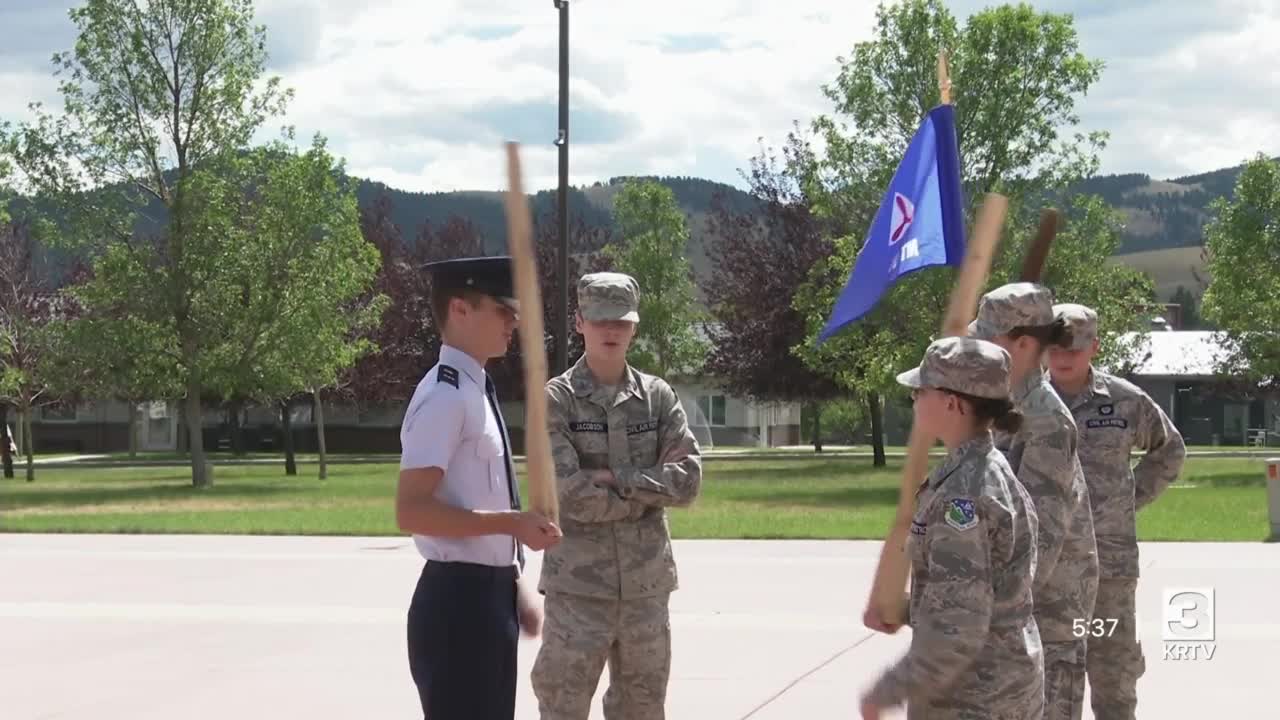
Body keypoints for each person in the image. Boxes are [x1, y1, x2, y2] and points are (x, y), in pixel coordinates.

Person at [395, 255, 563, 720]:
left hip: (486, 597)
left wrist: (511, 583)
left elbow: (476, 498)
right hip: (457, 605)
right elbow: (412, 510)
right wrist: (514, 523)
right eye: (502, 309)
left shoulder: (474, 389)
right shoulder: (445, 397)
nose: (513, 321)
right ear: (460, 310)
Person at [531, 271, 703, 720]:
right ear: (580, 322)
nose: (611, 330)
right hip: (578, 590)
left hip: (646, 589)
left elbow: (687, 482)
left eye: (622, 321)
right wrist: (647, 491)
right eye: (600, 319)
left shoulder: (658, 397)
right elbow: (570, 494)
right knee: (562, 707)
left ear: (635, 326)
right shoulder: (557, 400)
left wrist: (615, 477)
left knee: (643, 710)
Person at [860, 336, 1043, 720]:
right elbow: (984, 591)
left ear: (952, 403)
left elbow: (959, 627)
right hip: (1003, 686)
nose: (913, 400)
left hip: (972, 699)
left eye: (920, 391)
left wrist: (887, 690)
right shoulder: (985, 470)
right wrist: (907, 609)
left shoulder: (964, 494)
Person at [1048, 303, 1186, 720]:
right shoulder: (1023, 404)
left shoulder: (1124, 401)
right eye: (1056, 347)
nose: (1065, 357)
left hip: (1109, 565)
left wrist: (1127, 499)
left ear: (1095, 347)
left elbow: (1170, 449)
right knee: (1051, 675)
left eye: (1075, 347)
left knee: (1113, 669)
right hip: (1046, 568)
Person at [968, 283, 1099, 720]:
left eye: (988, 339)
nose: (978, 348)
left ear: (1022, 344)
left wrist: (990, 612)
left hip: (1049, 618)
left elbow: (1040, 538)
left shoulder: (1045, 421)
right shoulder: (1007, 410)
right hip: (1014, 614)